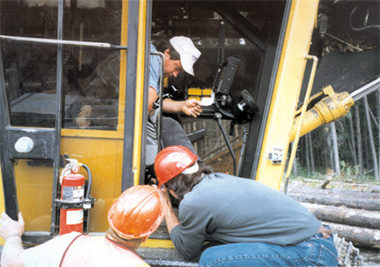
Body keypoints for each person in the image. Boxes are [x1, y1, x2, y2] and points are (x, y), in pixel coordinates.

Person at [154, 145, 339, 266]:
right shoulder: (217, 180)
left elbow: (187, 251)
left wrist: (166, 207)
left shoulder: (193, 202)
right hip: (318, 242)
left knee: (212, 260)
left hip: (310, 254)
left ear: (171, 189)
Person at [0, 185, 163, 267]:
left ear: (110, 215)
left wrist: (13, 236)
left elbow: (11, 263)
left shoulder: (68, 243)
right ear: (146, 236)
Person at [145, 36, 203, 165]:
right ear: (167, 53)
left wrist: (182, 106)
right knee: (167, 125)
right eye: (177, 67)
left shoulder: (156, 64)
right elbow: (149, 104)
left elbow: (156, 101)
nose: (176, 74)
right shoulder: (152, 58)